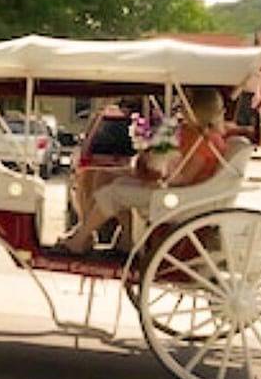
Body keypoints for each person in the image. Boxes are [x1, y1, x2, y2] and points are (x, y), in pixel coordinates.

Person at [60, 88, 227, 255]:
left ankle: (80, 240)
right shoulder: (193, 133)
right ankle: (117, 238)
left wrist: (158, 181)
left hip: (179, 198)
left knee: (113, 193)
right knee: (115, 183)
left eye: (185, 104)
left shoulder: (205, 141)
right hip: (175, 193)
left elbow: (184, 178)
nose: (180, 107)